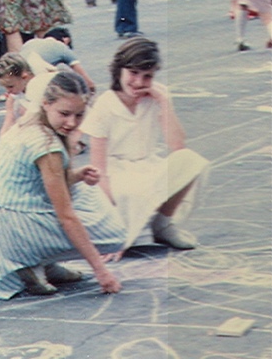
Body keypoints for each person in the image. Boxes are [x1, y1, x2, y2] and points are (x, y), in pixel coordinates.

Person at [0, 71, 125, 298]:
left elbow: (37, 181)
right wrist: (101, 270)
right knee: (116, 234)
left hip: (1, 218)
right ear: (46, 103)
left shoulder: (33, 118)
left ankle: (42, 259)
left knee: (81, 189)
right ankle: (30, 258)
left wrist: (77, 175)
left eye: (79, 115)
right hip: (11, 227)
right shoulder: (46, 145)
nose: (72, 122)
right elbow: (66, 216)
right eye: (64, 113)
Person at [83, 37, 209, 252]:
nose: (139, 82)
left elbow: (178, 146)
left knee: (191, 161)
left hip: (147, 164)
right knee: (129, 191)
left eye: (147, 76)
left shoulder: (157, 96)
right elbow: (99, 169)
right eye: (133, 73)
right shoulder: (105, 104)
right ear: (119, 70)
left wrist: (164, 102)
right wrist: (111, 230)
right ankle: (118, 235)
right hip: (116, 171)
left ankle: (162, 224)